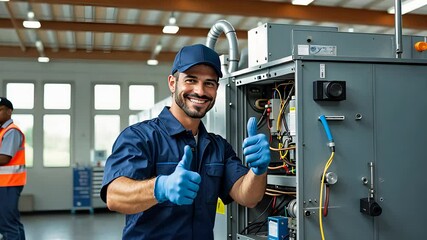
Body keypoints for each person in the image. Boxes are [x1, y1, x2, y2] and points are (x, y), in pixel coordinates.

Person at [101, 44, 271, 239]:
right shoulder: (140, 137)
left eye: (209, 83)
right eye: (191, 80)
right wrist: (161, 187)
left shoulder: (218, 147)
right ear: (172, 83)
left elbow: (248, 196)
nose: (200, 91)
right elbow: (114, 196)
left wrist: (258, 170)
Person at [0, 97, 26, 240]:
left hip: (9, 184)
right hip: (5, 184)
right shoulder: (2, 131)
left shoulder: (11, 131)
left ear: (9, 111)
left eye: (0, 110)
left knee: (7, 225)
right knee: (12, 223)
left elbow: (4, 158)